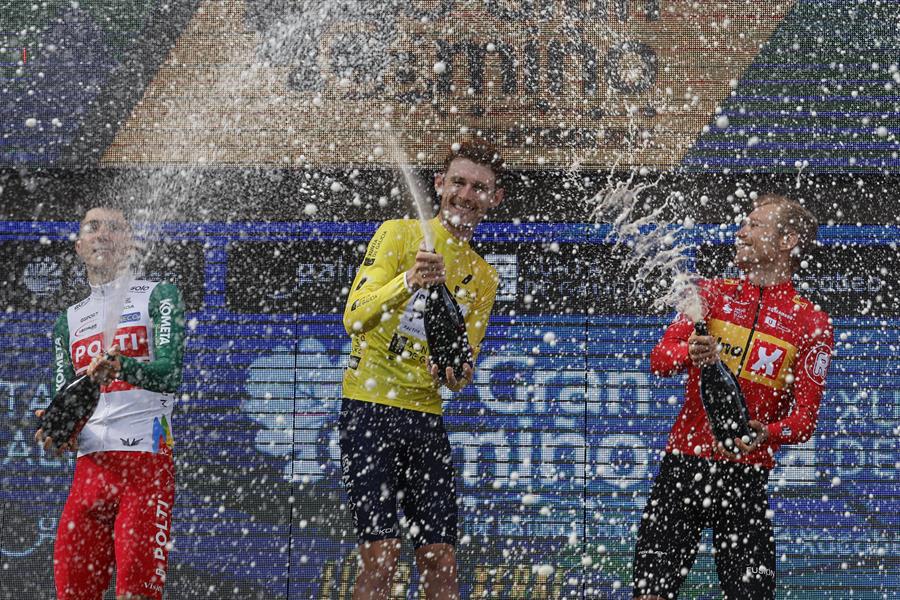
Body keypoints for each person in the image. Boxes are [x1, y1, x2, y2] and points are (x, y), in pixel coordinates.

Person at [632, 194, 834, 599]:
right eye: (744, 223)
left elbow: (804, 420)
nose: (741, 232)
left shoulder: (811, 322)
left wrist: (769, 431)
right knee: (650, 592)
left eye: (755, 225)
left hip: (745, 477)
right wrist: (688, 352)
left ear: (787, 241)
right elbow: (659, 360)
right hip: (684, 466)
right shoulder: (709, 293)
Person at [340, 139, 505, 599]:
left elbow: (461, 372)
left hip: (426, 420)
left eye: (479, 187)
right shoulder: (398, 233)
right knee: (382, 554)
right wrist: (408, 280)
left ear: (494, 198)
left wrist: (451, 372)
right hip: (369, 411)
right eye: (458, 182)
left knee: (440, 560)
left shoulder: (484, 276)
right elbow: (354, 316)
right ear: (439, 184)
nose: (466, 195)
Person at [34, 206, 186, 600]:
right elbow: (65, 394)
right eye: (92, 227)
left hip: (146, 467)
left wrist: (122, 367)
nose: (102, 234)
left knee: (136, 594)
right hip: (89, 473)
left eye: (114, 228)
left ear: (130, 244)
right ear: (79, 246)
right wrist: (59, 426)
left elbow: (170, 373)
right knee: (73, 594)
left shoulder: (159, 294)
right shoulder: (67, 320)